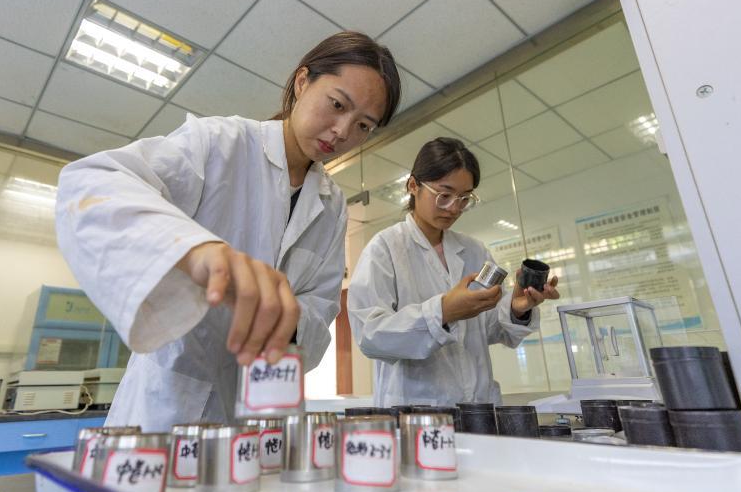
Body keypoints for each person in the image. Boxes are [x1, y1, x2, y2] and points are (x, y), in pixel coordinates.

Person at [55, 32, 400, 431]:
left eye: (363, 126)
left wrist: (283, 320)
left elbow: (321, 309)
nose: (342, 131)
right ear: (303, 82)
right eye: (337, 104)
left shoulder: (333, 206)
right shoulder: (220, 143)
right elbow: (93, 183)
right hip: (167, 405)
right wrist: (196, 250)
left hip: (262, 410)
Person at [348, 137, 560, 407]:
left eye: (464, 198)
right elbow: (371, 336)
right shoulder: (385, 248)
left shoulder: (475, 251)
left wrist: (517, 310)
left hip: (478, 408)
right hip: (415, 410)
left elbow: (488, 330)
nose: (454, 208)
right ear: (413, 186)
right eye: (444, 195)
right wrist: (444, 311)